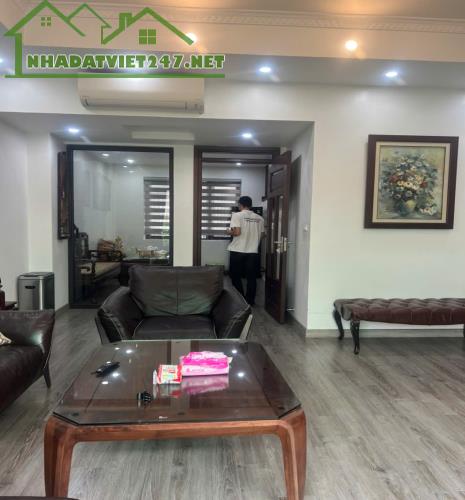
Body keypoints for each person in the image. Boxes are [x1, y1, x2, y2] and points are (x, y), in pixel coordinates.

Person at [226, 196, 265, 305]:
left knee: (236, 276)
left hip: (238, 250)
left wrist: (228, 231)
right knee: (251, 277)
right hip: (252, 252)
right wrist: (253, 239)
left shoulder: (237, 215)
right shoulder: (260, 218)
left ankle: (240, 301)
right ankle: (250, 301)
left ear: (240, 205)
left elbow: (237, 232)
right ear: (250, 205)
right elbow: (263, 235)